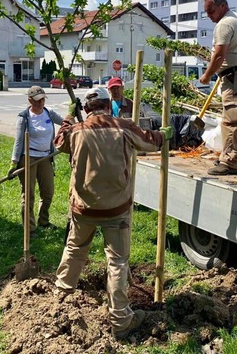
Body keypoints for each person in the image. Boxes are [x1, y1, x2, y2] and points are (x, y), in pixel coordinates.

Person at [52, 88, 173, 340]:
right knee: (117, 262)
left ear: (86, 109)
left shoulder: (76, 131)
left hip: (83, 208)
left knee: (74, 250)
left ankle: (61, 300)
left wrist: (68, 116)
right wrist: (163, 135)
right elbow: (151, 142)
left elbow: (59, 140)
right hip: (116, 210)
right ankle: (120, 320)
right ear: (108, 105)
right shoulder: (123, 126)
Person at [199, 0, 237, 176]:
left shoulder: (224, 24)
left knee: (230, 120)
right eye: (206, 12)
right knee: (231, 119)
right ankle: (233, 156)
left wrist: (207, 76)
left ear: (223, 5)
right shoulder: (236, 18)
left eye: (211, 11)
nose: (209, 16)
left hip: (235, 76)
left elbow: (219, 55)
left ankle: (230, 162)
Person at [9, 86, 65, 236]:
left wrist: (73, 116)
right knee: (28, 194)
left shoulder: (49, 113)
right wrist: (14, 162)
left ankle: (43, 220)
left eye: (43, 99)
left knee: (48, 192)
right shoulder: (24, 117)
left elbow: (66, 124)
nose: (41, 103)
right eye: (37, 100)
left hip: (45, 157)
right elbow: (18, 141)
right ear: (30, 100)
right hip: (27, 158)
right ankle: (30, 227)